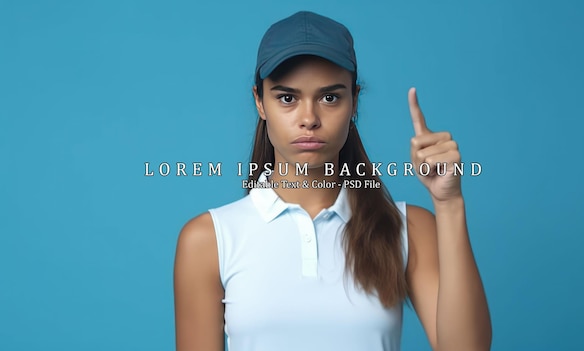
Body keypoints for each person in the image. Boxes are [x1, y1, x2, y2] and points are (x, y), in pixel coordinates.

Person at [173, 10, 491, 351]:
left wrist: (449, 203)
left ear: (354, 101)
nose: (309, 118)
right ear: (260, 102)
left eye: (330, 97)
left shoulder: (408, 229)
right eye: (287, 98)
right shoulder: (209, 239)